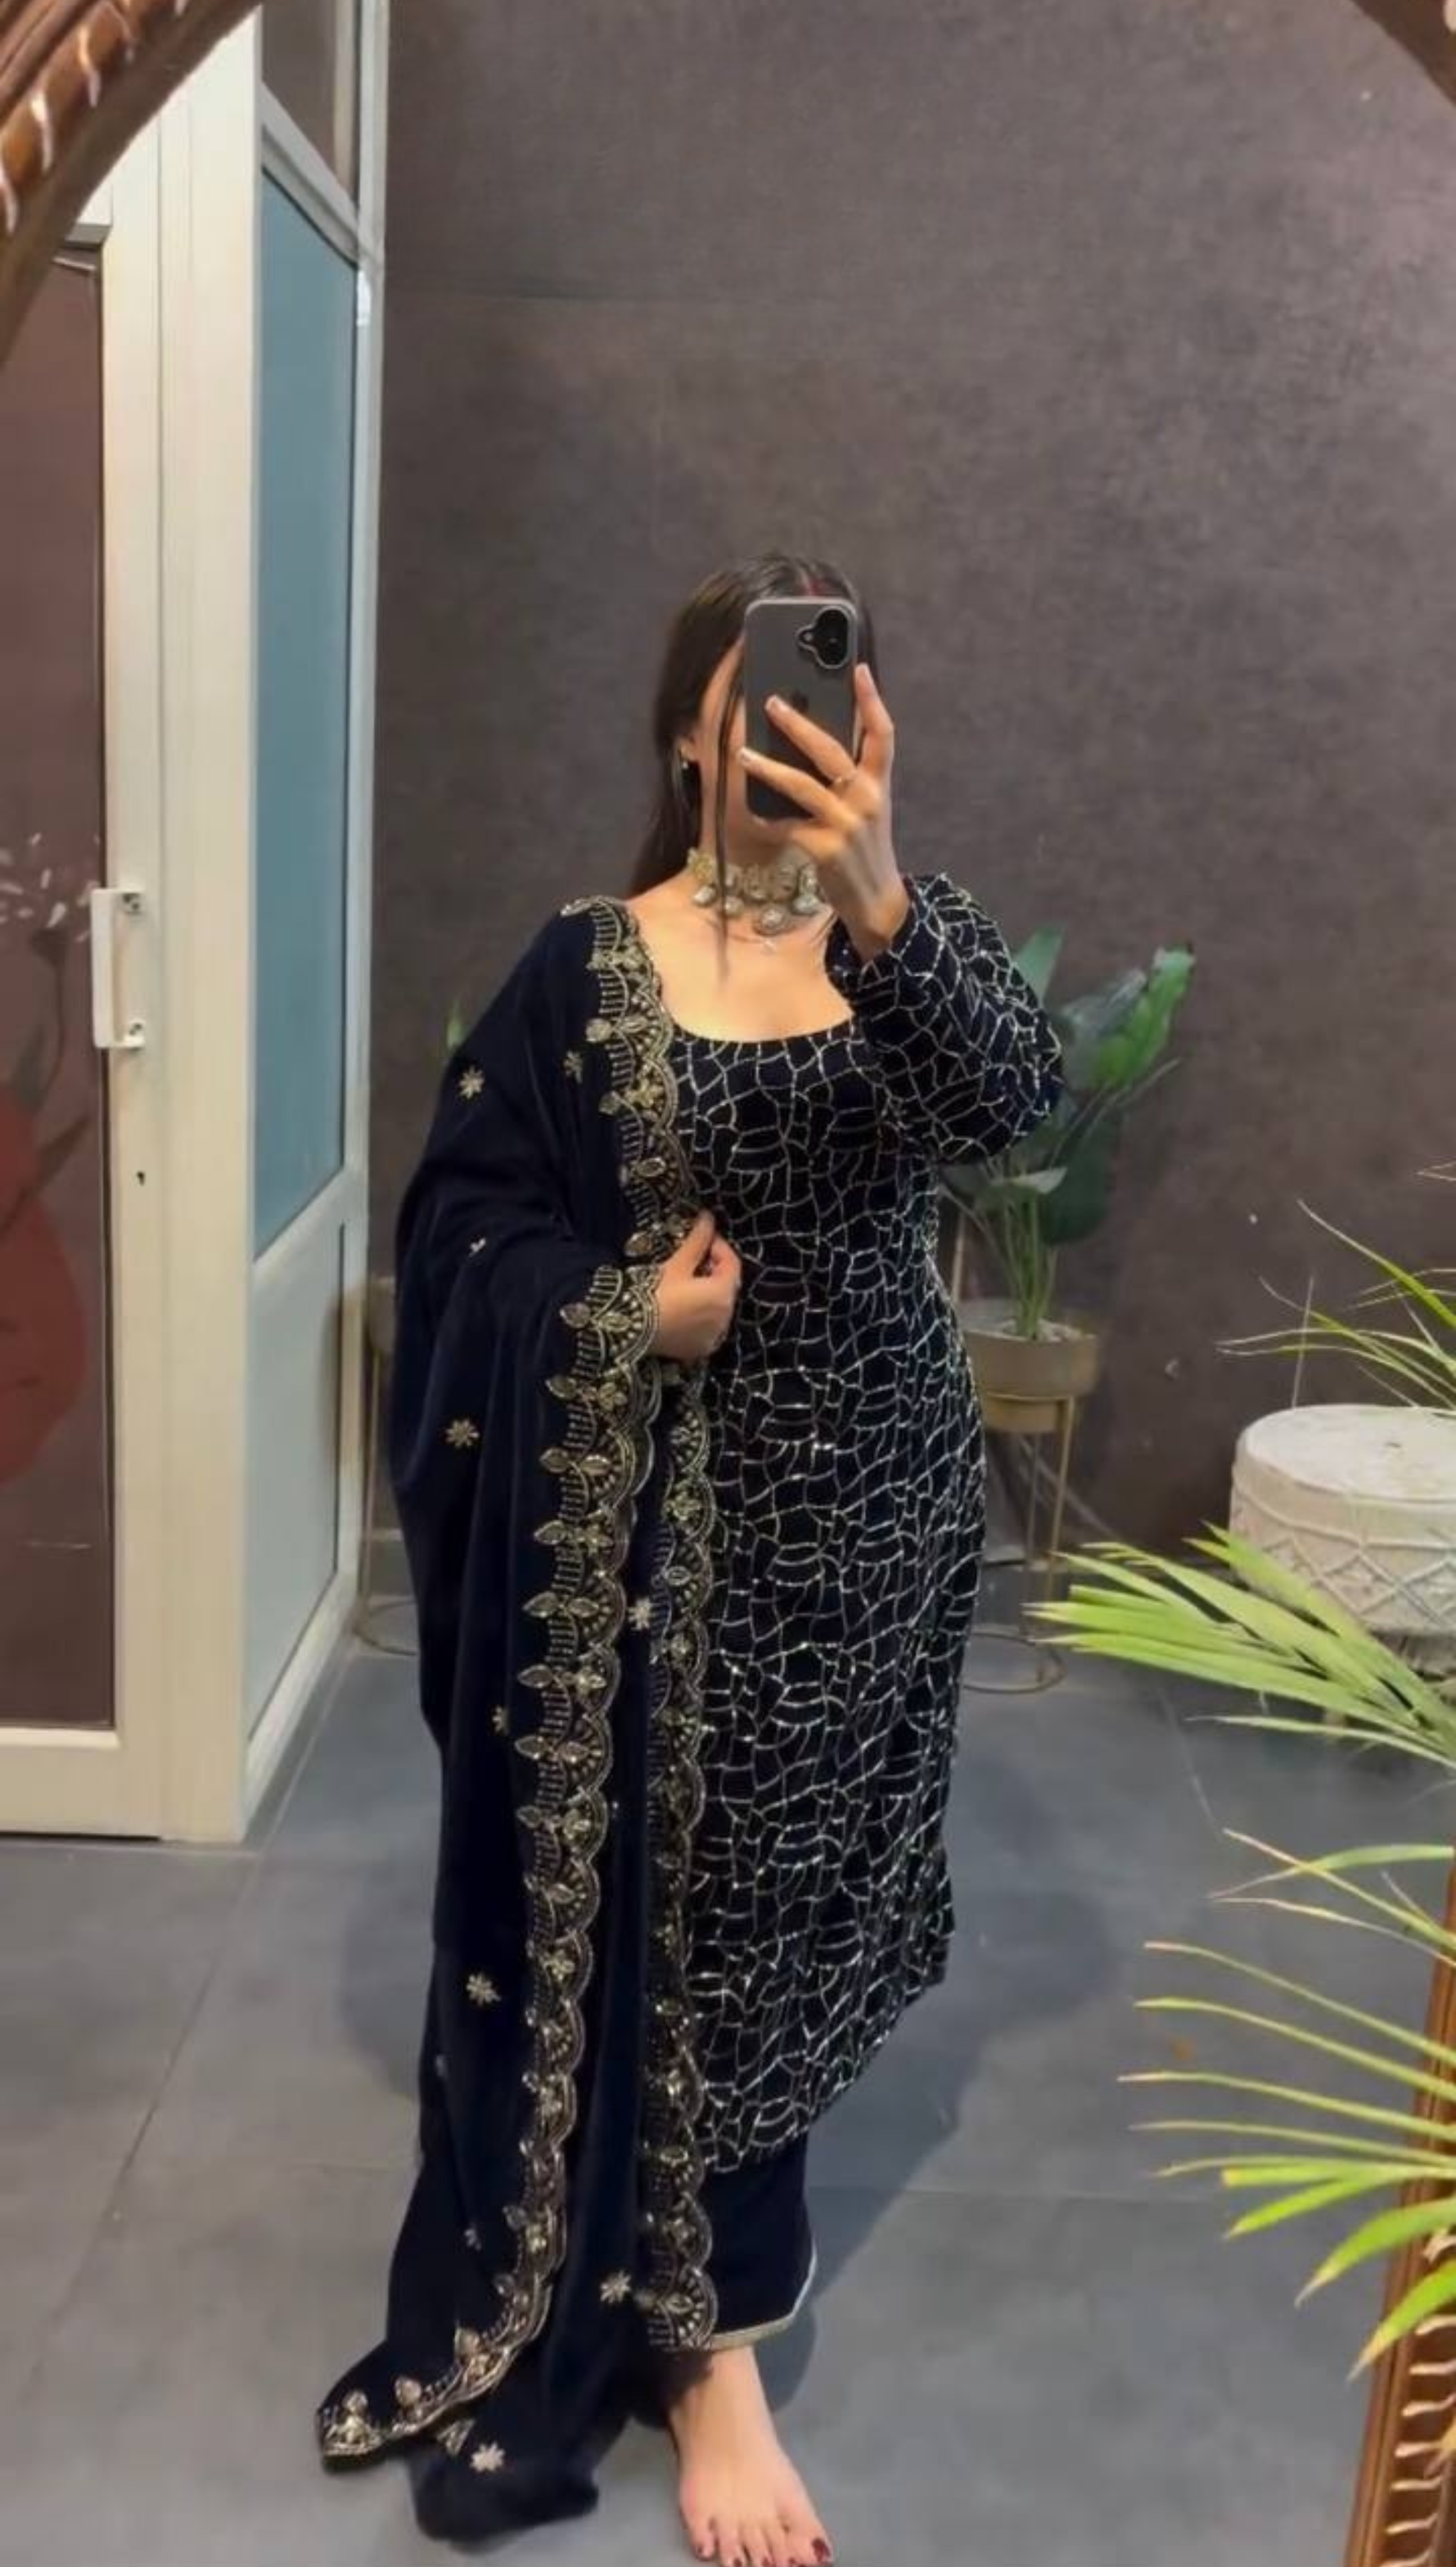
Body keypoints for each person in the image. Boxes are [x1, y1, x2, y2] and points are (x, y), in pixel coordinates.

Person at [315, 554, 1063, 2566]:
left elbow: (1015, 1114)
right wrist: (623, 1315)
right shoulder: (590, 969)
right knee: (695, 1906)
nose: (796, 739)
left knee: (790, 1921)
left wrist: (880, 887)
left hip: (875, 1527)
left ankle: (715, 2297)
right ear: (684, 737)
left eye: (833, 702)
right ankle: (708, 2347)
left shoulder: (907, 942)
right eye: (759, 707)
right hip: (658, 1536)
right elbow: (464, 1230)